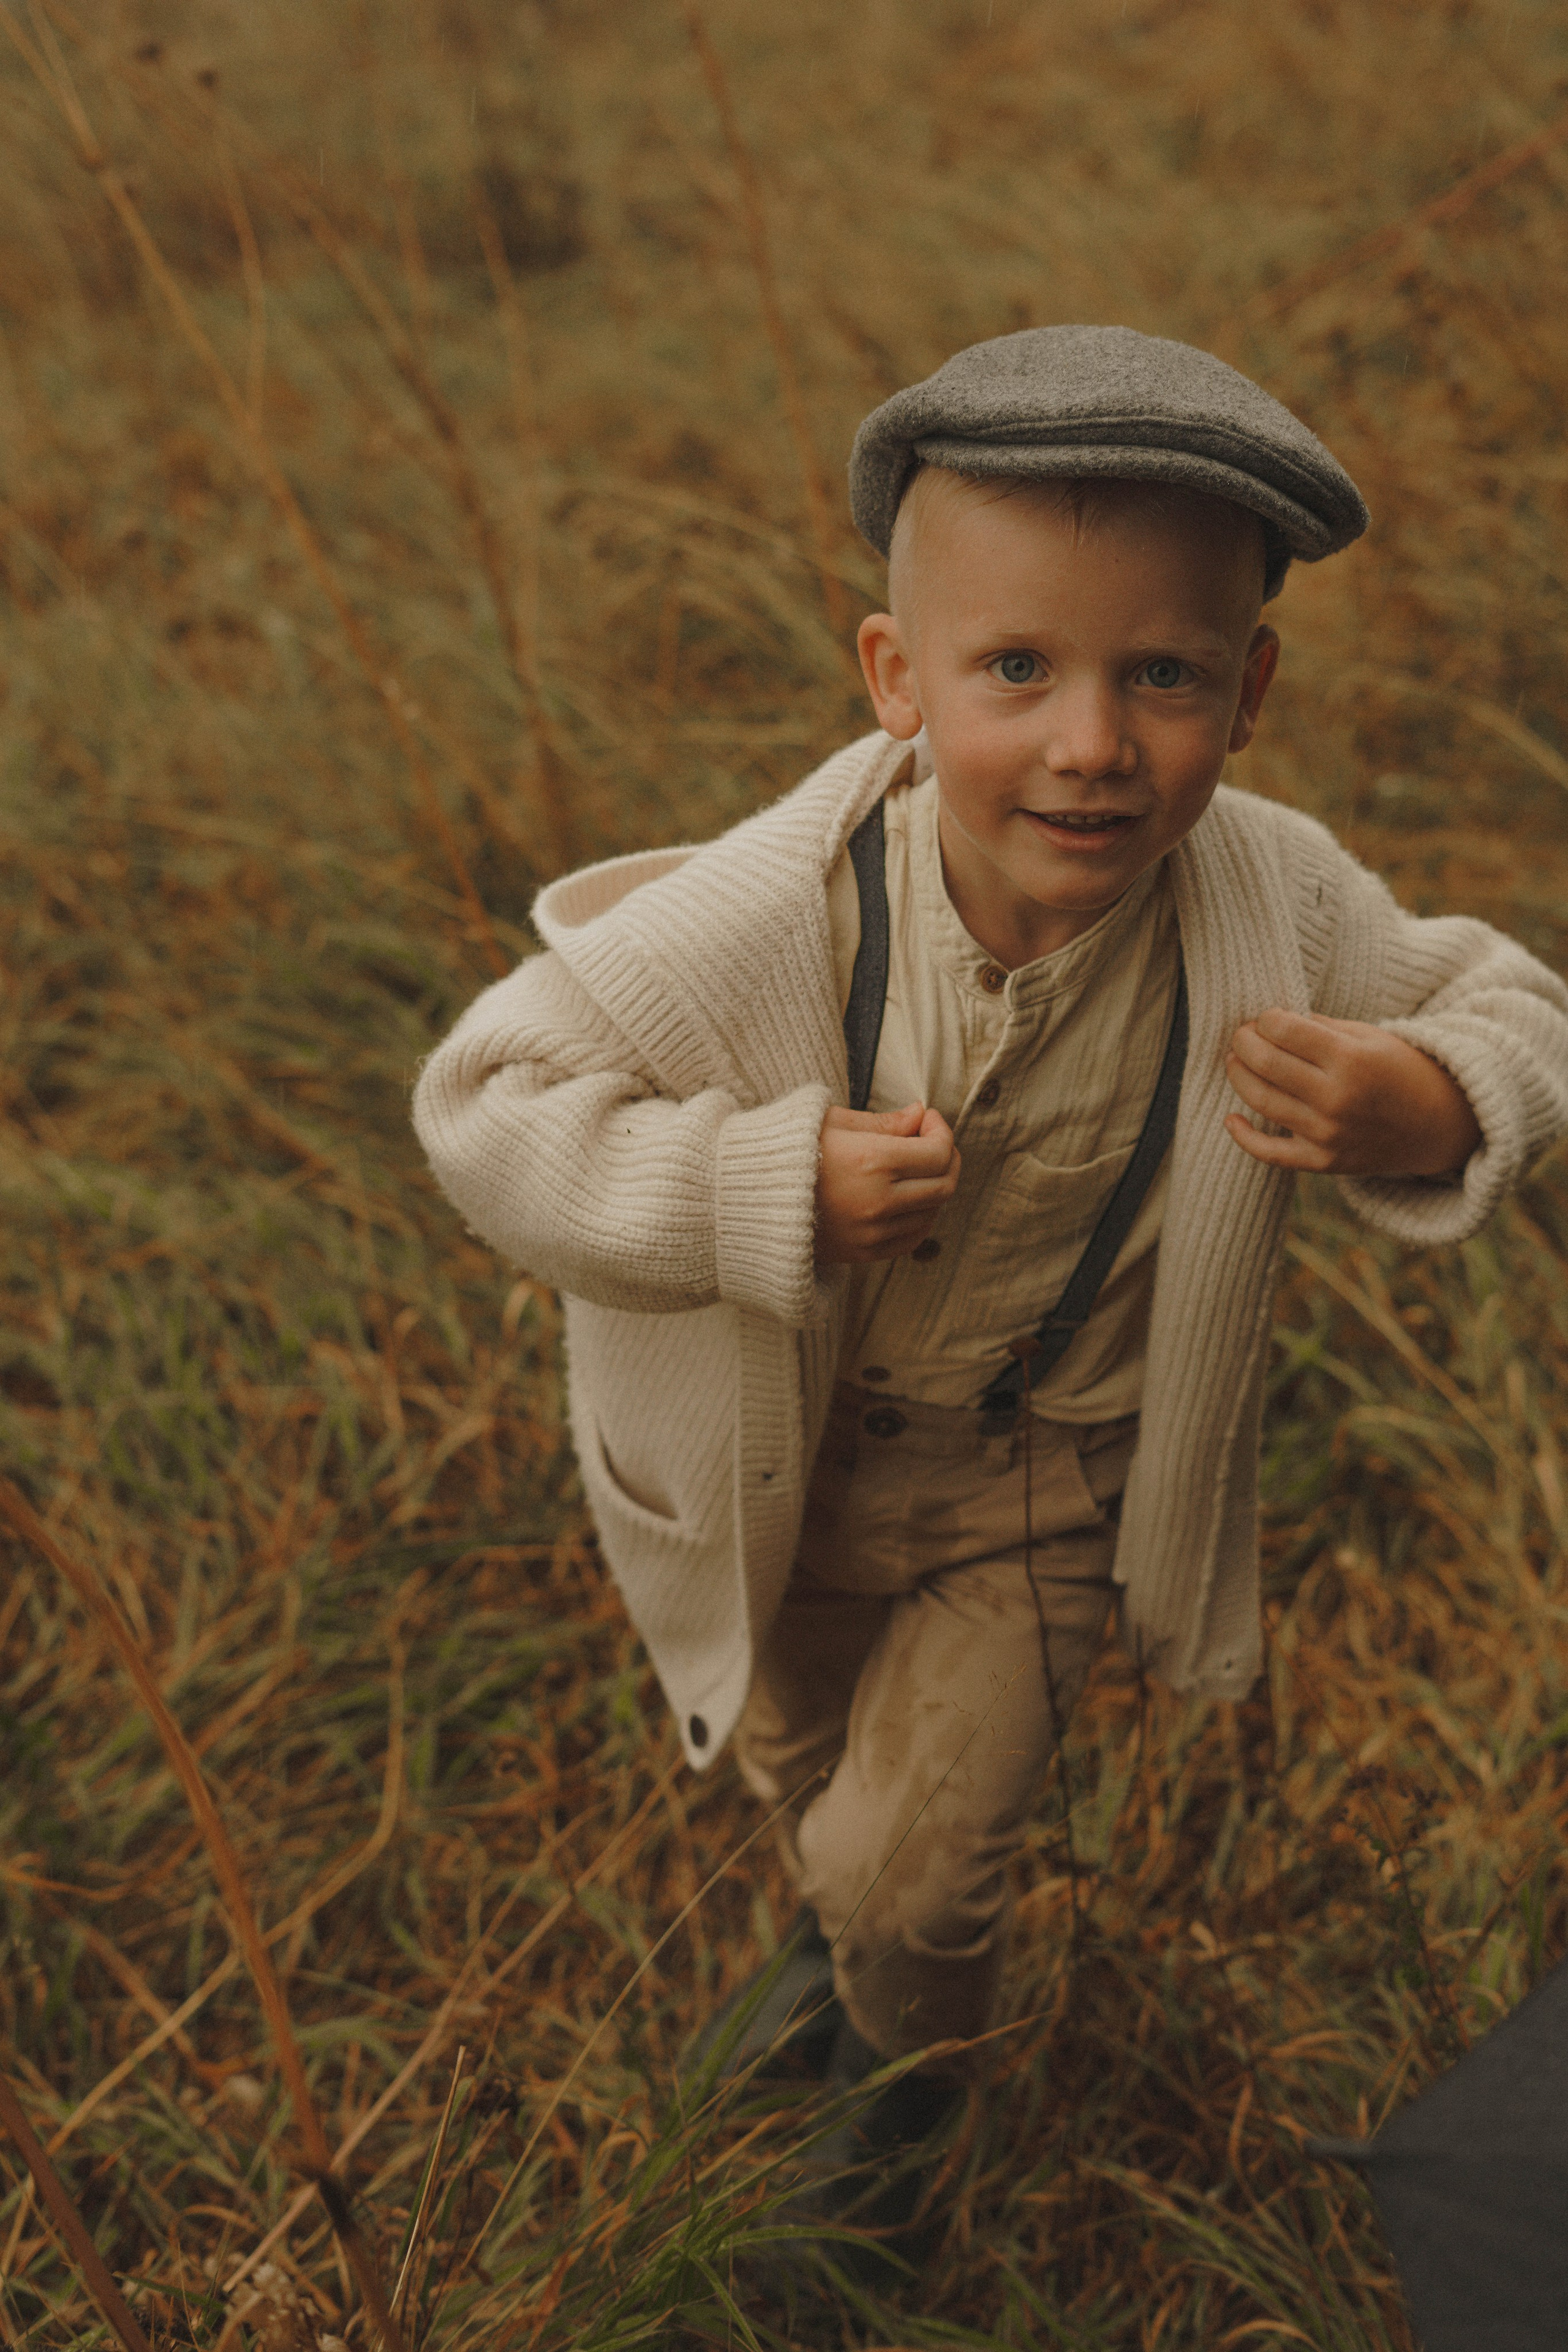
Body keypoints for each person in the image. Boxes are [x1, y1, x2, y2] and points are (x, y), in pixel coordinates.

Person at [412, 325, 1568, 2269]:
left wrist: (1435, 1091)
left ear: (1249, 691)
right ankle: (847, 1955)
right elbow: (488, 1105)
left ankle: (898, 2097)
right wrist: (750, 1179)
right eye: (1016, 670)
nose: (1094, 743)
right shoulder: (780, 909)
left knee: (914, 1860)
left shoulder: (1271, 902)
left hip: (1043, 1490)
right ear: (899, 679)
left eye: (1165, 675)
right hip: (782, 1489)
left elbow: (1512, 1000)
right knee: (813, 1785)